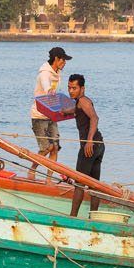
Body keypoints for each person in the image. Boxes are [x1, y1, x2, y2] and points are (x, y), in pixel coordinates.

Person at [29, 46, 71, 179]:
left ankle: (49, 179)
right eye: (63, 60)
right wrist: (50, 91)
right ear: (56, 59)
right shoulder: (44, 73)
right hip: (39, 115)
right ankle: (32, 169)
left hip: (51, 114)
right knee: (46, 148)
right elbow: (47, 86)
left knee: (55, 147)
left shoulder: (57, 72)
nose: (65, 63)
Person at [67, 73, 105, 217]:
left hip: (90, 146)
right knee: (95, 184)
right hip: (99, 145)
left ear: (82, 88)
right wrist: (65, 112)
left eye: (74, 88)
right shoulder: (80, 102)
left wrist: (89, 141)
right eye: (69, 88)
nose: (71, 91)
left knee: (79, 183)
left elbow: (94, 118)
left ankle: (72, 218)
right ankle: (93, 217)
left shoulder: (83, 100)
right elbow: (77, 110)